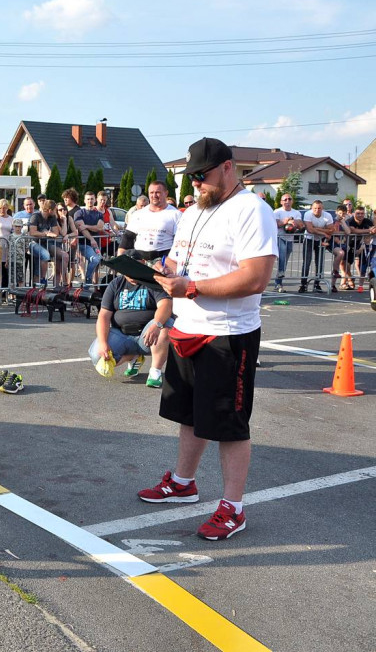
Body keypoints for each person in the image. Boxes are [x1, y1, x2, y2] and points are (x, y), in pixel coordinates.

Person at [145, 137, 277, 541]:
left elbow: (256, 277)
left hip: (228, 335)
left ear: (227, 168)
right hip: (188, 327)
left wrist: (194, 287)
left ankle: (233, 507)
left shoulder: (252, 209)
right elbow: (178, 263)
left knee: (229, 424)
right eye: (191, 178)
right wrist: (157, 270)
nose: (195, 185)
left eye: (201, 177)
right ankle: (183, 482)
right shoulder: (191, 212)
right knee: (190, 415)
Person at [91, 251, 173, 388]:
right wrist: (103, 343)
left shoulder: (152, 281)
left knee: (165, 325)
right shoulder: (115, 284)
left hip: (148, 334)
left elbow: (165, 305)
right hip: (122, 333)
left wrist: (156, 324)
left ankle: (155, 371)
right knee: (98, 356)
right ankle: (133, 356)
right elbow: (104, 315)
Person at [118, 180, 181, 262]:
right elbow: (128, 237)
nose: (154, 195)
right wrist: (120, 257)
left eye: (158, 192)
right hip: (139, 259)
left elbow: (179, 242)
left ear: (166, 193)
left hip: (163, 259)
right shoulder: (138, 214)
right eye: (151, 192)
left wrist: (171, 262)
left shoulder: (176, 214)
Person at [299, 200, 338, 293]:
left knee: (320, 263)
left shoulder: (327, 216)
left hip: (320, 240)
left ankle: (317, 284)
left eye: (319, 208)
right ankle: (303, 284)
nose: (317, 210)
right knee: (306, 262)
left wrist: (317, 229)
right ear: (312, 208)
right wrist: (324, 233)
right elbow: (310, 230)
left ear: (322, 208)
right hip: (308, 239)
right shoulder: (308, 214)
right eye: (315, 208)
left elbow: (331, 229)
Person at [28, 198, 69, 287]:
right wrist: (46, 233)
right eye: (55, 210)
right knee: (45, 255)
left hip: (47, 243)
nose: (56, 212)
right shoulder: (36, 216)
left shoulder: (52, 217)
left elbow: (56, 233)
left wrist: (48, 234)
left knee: (65, 255)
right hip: (34, 243)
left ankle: (64, 281)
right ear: (50, 210)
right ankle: (43, 280)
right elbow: (33, 232)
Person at [72, 189, 104, 286]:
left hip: (96, 245)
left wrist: (87, 226)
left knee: (97, 264)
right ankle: (88, 281)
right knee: (95, 260)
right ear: (84, 200)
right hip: (84, 244)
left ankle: (95, 287)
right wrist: (91, 238)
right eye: (88, 199)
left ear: (95, 200)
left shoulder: (99, 214)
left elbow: (100, 227)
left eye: (92, 199)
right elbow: (81, 228)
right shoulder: (79, 213)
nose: (90, 201)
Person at [272, 194, 302, 293]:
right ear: (281, 202)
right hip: (279, 237)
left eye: (289, 199)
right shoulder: (277, 211)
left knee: (285, 259)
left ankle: (278, 282)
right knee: (282, 254)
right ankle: (280, 274)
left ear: (292, 201)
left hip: (290, 238)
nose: (287, 201)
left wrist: (294, 223)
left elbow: (300, 225)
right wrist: (285, 222)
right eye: (285, 199)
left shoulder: (296, 212)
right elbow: (276, 223)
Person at [344, 206, 375, 289]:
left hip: (363, 245)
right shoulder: (350, 221)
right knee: (346, 264)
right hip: (350, 244)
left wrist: (370, 230)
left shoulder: (367, 221)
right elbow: (353, 230)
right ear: (354, 213)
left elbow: (373, 229)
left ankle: (360, 285)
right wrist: (368, 231)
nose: (360, 215)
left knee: (363, 265)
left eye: (362, 213)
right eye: (358, 213)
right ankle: (350, 278)